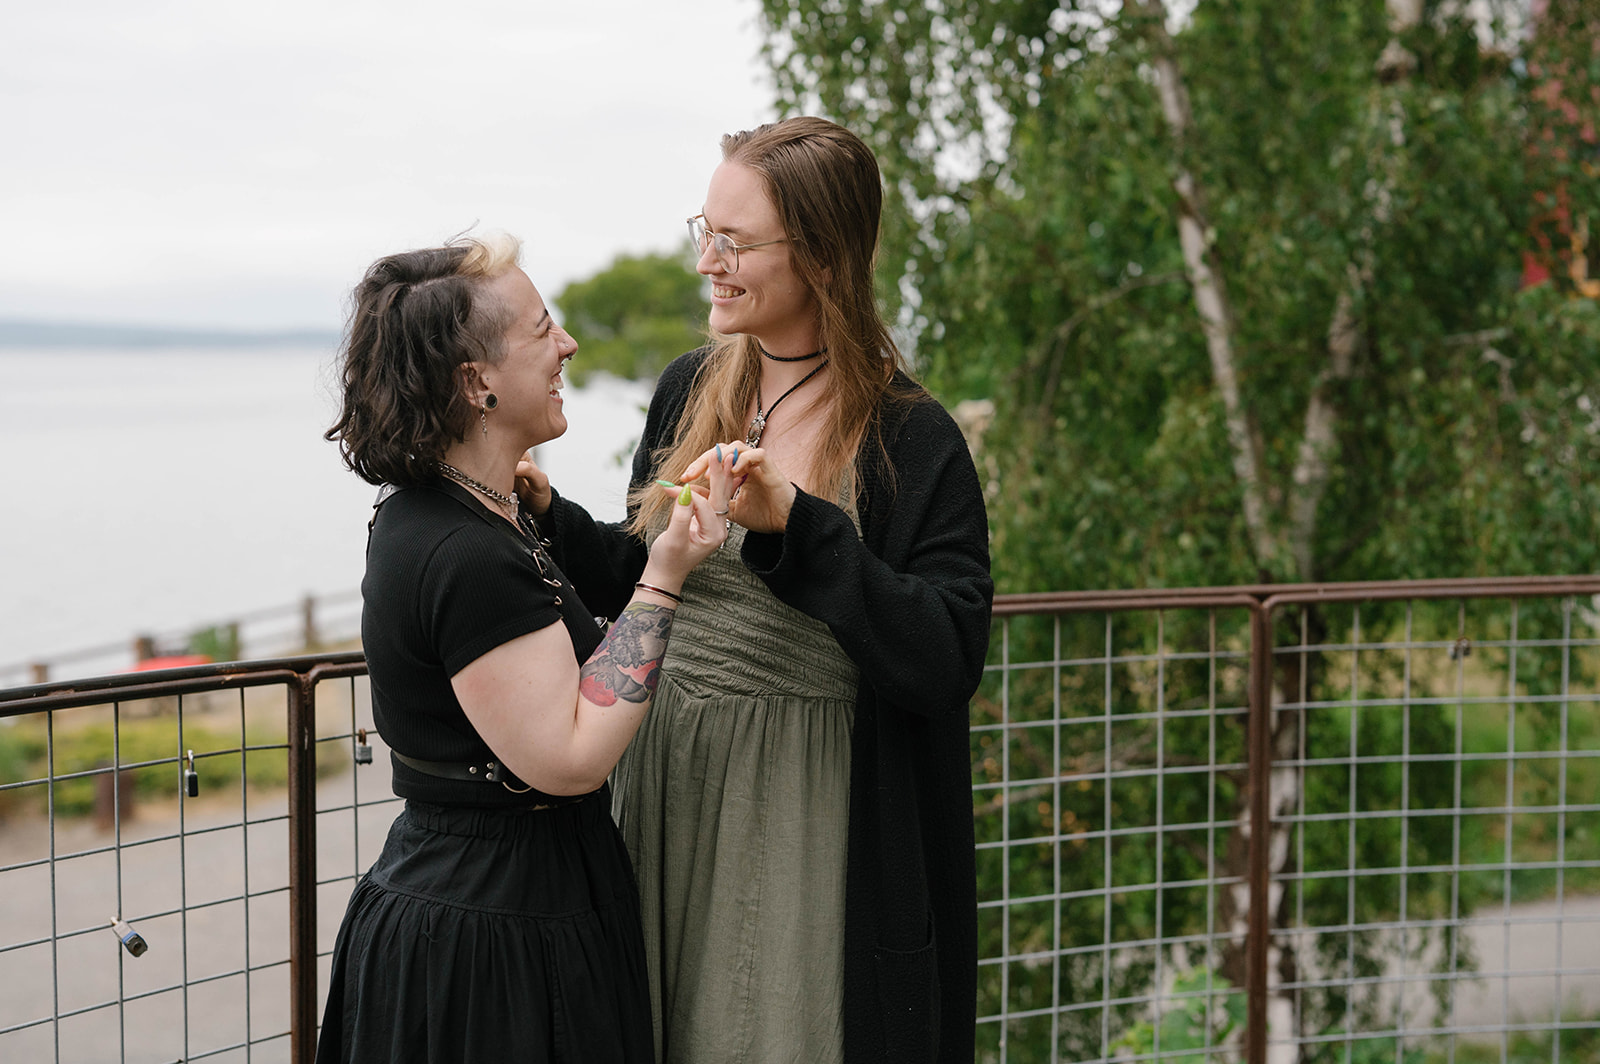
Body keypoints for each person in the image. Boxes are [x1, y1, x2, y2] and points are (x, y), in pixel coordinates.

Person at [522, 117, 994, 1064]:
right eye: (706, 228)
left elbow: (945, 655)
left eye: (733, 241)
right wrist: (546, 513)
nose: (706, 260)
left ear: (821, 254)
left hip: (813, 813)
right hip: (667, 781)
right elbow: (644, 576)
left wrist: (802, 529)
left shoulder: (913, 437)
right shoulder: (690, 386)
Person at [316, 234, 728, 1064]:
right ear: (478, 382)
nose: (568, 345)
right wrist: (665, 574)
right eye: (544, 331)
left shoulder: (457, 512)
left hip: (489, 894)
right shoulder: (465, 551)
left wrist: (535, 505)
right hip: (493, 936)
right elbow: (570, 756)